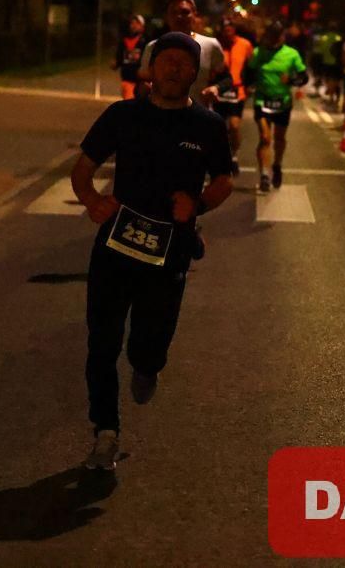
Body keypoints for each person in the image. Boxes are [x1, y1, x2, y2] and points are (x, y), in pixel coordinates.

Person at [71, 32, 234, 470]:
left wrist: (197, 205)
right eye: (166, 60)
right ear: (152, 68)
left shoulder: (207, 126)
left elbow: (223, 181)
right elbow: (82, 169)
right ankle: (105, 432)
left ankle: (147, 366)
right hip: (115, 244)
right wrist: (92, 201)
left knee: (148, 345)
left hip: (169, 252)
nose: (174, 68)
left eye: (183, 62)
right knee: (101, 343)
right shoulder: (122, 115)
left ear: (194, 72)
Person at [244, 20, 309, 193]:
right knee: (265, 138)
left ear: (282, 37)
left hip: (283, 102)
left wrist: (292, 80)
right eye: (270, 36)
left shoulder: (291, 54)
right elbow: (248, 72)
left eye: (276, 37)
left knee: (279, 138)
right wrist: (247, 85)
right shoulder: (258, 53)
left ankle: (277, 165)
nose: (273, 40)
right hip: (262, 101)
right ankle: (264, 175)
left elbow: (304, 77)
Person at [137, 0, 230, 108]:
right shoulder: (153, 47)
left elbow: (226, 79)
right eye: (173, 12)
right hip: (160, 114)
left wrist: (216, 88)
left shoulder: (210, 45)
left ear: (195, 15)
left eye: (185, 12)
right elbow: (143, 81)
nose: (179, 16)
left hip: (198, 114)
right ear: (167, 17)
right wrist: (144, 88)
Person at [216, 18, 255, 176]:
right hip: (218, 91)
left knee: (234, 125)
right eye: (225, 30)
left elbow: (252, 66)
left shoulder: (245, 44)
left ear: (234, 30)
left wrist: (251, 85)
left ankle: (233, 156)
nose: (227, 32)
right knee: (218, 127)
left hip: (237, 91)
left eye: (230, 29)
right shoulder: (216, 45)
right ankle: (219, 157)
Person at [111, 14, 147, 100]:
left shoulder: (146, 42)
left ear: (142, 26)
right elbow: (119, 58)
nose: (134, 26)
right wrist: (116, 64)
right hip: (127, 79)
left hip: (141, 81)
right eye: (132, 23)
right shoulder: (124, 41)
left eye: (137, 23)